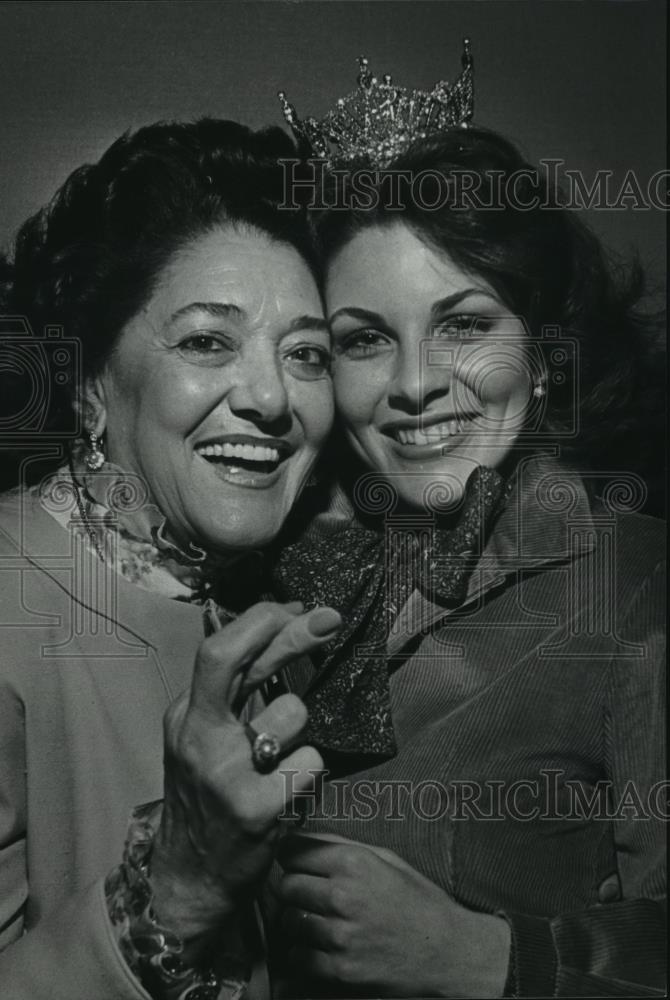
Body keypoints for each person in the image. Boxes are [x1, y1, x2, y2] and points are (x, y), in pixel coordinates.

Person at [268, 61, 667, 998]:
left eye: (463, 326)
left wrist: (485, 959)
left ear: (542, 351)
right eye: (366, 338)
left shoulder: (631, 576)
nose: (413, 382)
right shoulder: (287, 570)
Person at [0, 118, 343, 999]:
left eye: (306, 354)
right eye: (205, 342)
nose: (272, 398)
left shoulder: (278, 600)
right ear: (87, 382)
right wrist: (180, 888)